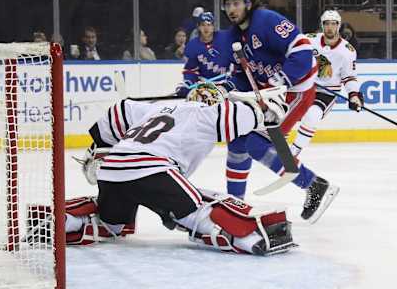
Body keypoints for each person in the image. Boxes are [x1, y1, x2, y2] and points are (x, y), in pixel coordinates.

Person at [36, 88, 296, 256]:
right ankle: (250, 238)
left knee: (110, 224)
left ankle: (55, 222)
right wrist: (269, 109)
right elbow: (251, 114)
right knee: (197, 211)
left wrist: (98, 148)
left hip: (112, 169)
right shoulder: (206, 113)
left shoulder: (153, 108)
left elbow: (116, 114)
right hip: (154, 168)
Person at [220, 0, 339, 224]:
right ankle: (237, 206)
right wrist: (227, 88)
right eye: (227, 4)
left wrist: (282, 79)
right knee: (237, 142)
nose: (231, 9)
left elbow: (303, 50)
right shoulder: (232, 35)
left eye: (236, 3)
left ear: (248, 2)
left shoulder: (266, 20)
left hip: (296, 90)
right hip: (269, 93)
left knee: (256, 144)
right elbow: (242, 75)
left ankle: (314, 185)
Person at [290, 11, 363, 157]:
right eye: (326, 23)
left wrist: (354, 95)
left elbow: (349, 77)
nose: (330, 27)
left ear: (338, 26)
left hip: (326, 93)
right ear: (322, 25)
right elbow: (291, 51)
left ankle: (293, 152)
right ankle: (276, 145)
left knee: (312, 116)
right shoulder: (309, 40)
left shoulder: (347, 51)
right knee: (283, 113)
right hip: (304, 87)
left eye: (333, 24)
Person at [175, 12, 235, 98]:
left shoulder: (225, 38)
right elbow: (191, 70)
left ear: (213, 26)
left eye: (209, 25)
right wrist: (188, 83)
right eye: (203, 25)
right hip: (203, 85)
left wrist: (232, 78)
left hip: (224, 82)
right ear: (198, 27)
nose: (206, 28)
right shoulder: (192, 45)